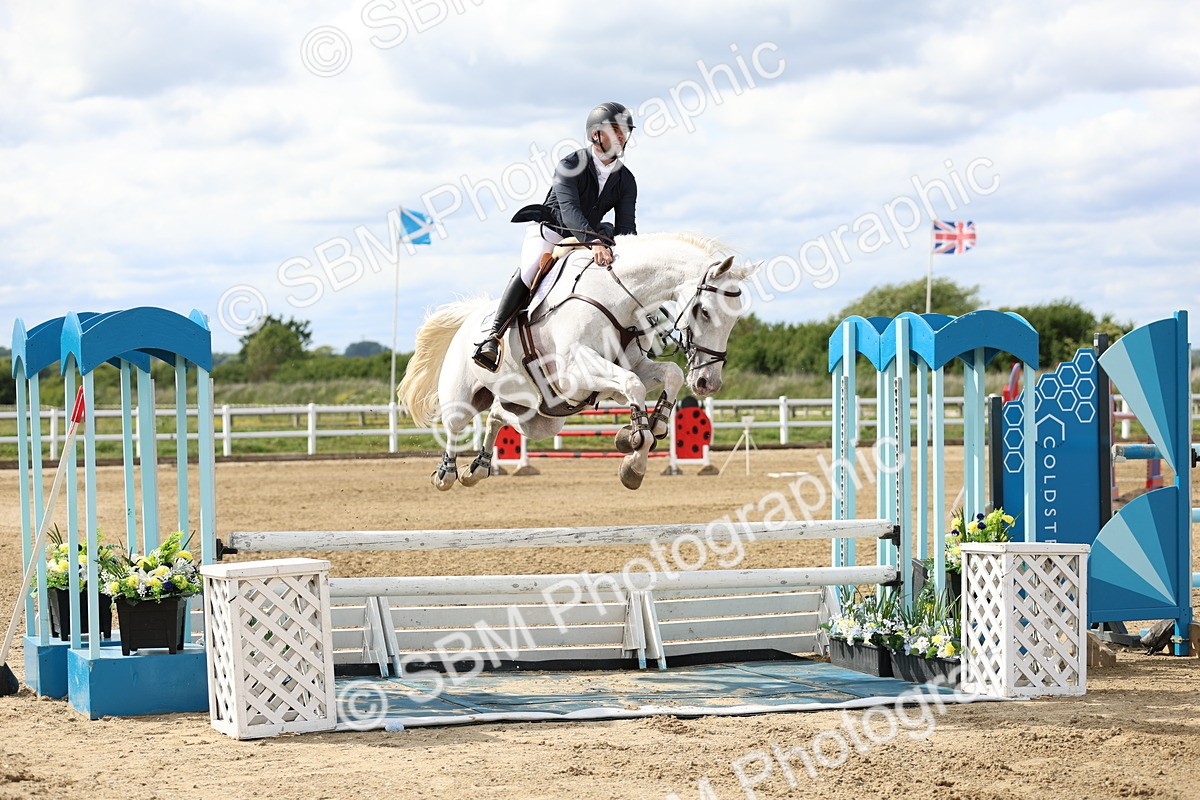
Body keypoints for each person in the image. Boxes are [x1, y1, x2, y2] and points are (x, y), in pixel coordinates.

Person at [471, 102, 638, 372]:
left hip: (590, 239)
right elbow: (570, 212)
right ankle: (493, 336)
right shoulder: (570, 164)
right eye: (615, 131)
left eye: (624, 132)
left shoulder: (626, 180)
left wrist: (630, 257)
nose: (621, 137)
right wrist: (595, 243)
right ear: (596, 134)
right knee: (531, 269)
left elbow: (626, 227)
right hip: (552, 231)